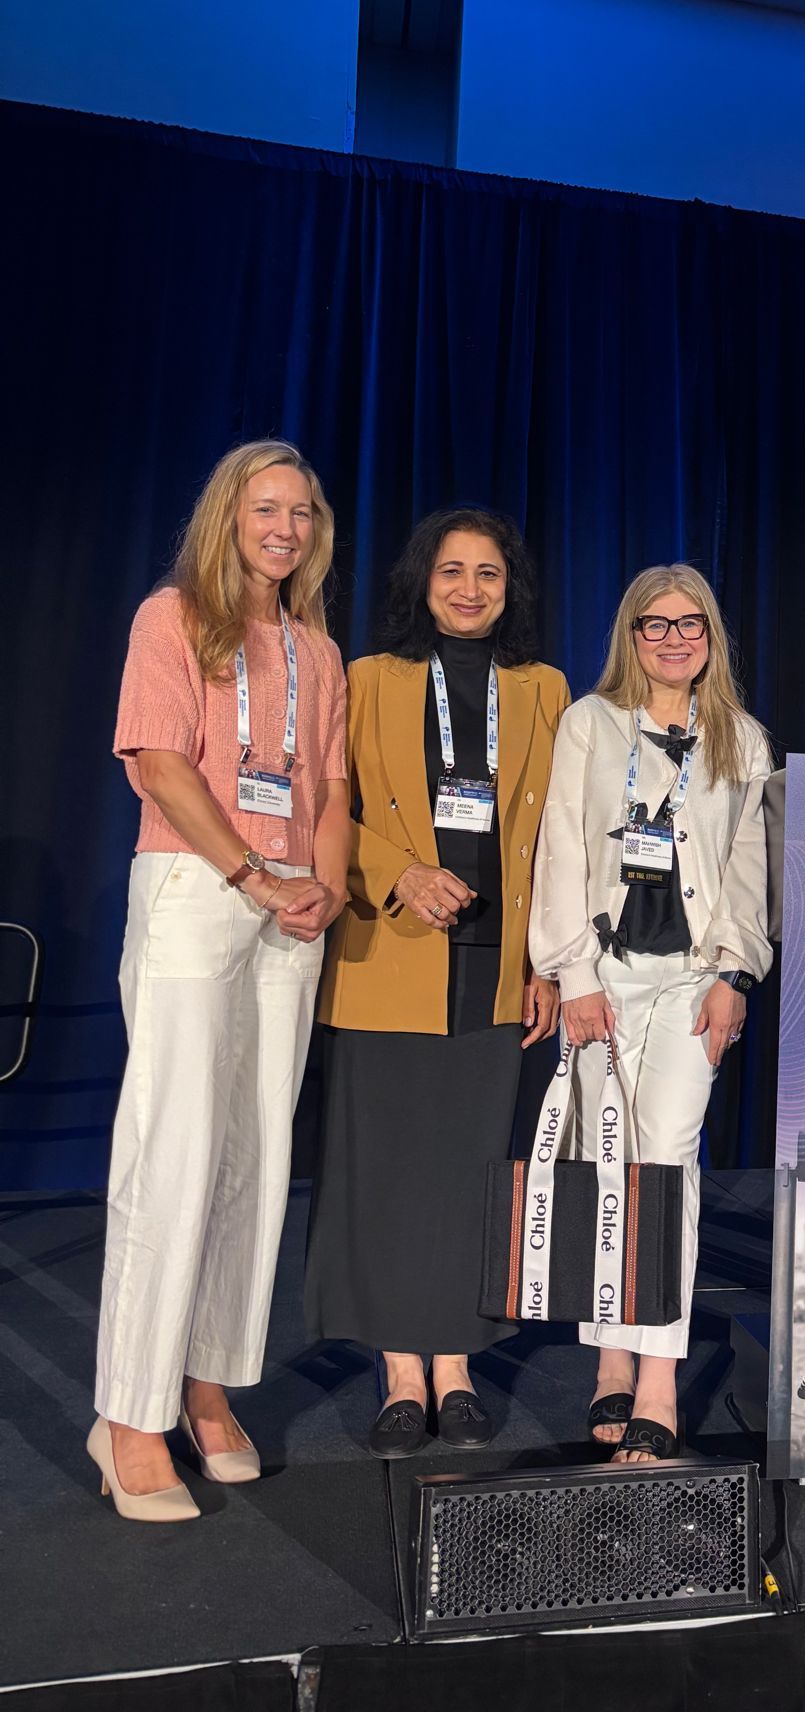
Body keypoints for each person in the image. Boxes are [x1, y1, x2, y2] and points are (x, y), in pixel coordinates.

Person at [94, 440, 348, 1521]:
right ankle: (128, 1416)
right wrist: (253, 873)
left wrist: (323, 887)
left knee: (256, 1155)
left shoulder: (317, 650)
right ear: (227, 517)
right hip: (199, 886)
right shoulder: (172, 618)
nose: (285, 528)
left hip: (292, 909)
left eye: (301, 511)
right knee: (176, 1148)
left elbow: (331, 785)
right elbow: (161, 765)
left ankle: (207, 1387)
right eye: (265, 508)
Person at [304, 509, 569, 1457]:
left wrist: (547, 964)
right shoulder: (367, 678)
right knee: (384, 1173)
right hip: (389, 951)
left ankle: (455, 1366)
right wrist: (398, 873)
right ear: (422, 581)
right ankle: (399, 1373)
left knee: (472, 1173)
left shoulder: (543, 689)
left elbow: (561, 839)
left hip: (496, 967)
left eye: (488, 573)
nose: (469, 589)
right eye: (452, 571)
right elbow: (321, 808)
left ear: (510, 588)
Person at [530, 565, 772, 1463]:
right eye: (656, 625)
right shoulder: (590, 723)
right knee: (607, 1163)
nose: (674, 639)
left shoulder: (742, 737)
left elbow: (751, 870)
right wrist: (572, 974)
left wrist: (735, 974)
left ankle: (658, 1377)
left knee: (667, 1162)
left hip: (692, 982)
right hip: (605, 975)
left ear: (712, 637)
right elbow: (560, 845)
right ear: (631, 636)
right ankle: (610, 1364)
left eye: (690, 624)